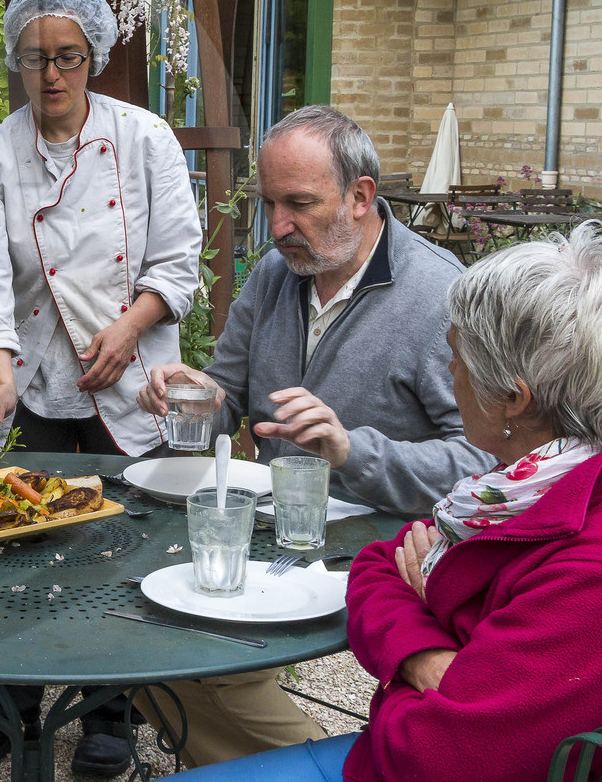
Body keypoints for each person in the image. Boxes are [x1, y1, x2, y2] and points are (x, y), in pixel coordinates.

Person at [167, 223, 602, 781]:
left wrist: (431, 630)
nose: (450, 373)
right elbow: (377, 564)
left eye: (457, 359)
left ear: (514, 399)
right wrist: (427, 657)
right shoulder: (533, 483)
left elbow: (429, 757)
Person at [135, 105, 490, 767]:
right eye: (269, 203)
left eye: (299, 203)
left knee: (197, 663)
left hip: (387, 552)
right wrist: (189, 396)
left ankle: (351, 771)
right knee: (149, 636)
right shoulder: (278, 273)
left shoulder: (442, 293)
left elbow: (485, 464)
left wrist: (351, 451)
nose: (276, 228)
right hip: (276, 538)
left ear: (361, 197)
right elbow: (225, 402)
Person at [0, 0, 203, 777]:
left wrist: (130, 330)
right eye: (35, 58)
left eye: (67, 57)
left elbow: (179, 259)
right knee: (18, 544)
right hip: (36, 375)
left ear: (92, 57)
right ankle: (10, 702)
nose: (51, 74)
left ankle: (109, 713)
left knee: (119, 543)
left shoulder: (144, 138)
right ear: (17, 62)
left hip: (134, 375)